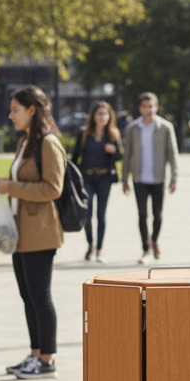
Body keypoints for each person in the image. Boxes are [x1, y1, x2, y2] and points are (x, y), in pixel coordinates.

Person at [0, 86, 66, 380]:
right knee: (27, 295)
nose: (10, 115)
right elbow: (21, 180)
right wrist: (1, 182)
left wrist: (12, 187)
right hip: (21, 230)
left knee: (40, 296)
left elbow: (53, 188)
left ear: (33, 110)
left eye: (16, 109)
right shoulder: (24, 143)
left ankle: (47, 359)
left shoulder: (48, 143)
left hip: (41, 231)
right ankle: (34, 355)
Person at [121, 92, 178, 264]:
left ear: (156, 107)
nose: (148, 110)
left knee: (157, 214)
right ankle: (145, 249)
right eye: (145, 106)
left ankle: (154, 240)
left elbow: (172, 153)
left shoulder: (165, 127)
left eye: (151, 106)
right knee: (142, 214)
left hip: (158, 177)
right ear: (140, 108)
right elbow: (127, 154)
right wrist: (124, 179)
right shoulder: (133, 128)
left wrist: (174, 177)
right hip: (139, 178)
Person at [73, 101, 122, 262]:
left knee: (101, 215)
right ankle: (90, 244)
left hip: (104, 178)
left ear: (110, 117)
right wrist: (74, 177)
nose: (102, 117)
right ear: (93, 116)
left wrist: (113, 151)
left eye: (105, 114)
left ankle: (100, 249)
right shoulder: (84, 134)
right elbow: (74, 158)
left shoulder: (113, 134)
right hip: (87, 177)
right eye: (99, 114)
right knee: (87, 214)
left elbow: (119, 157)